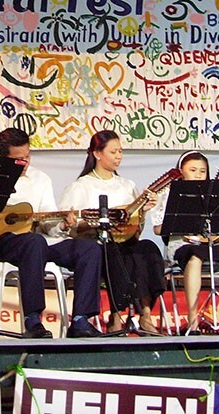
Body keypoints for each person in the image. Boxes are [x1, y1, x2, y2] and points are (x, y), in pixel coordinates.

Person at [0, 127, 102, 338]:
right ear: (2, 158)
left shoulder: (40, 179)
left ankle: (80, 320)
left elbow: (48, 222)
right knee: (34, 243)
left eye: (28, 156)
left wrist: (62, 225)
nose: (25, 163)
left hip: (39, 242)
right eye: (18, 159)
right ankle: (32, 320)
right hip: (2, 242)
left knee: (89, 249)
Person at [59, 130, 166, 334]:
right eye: (113, 151)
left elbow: (136, 228)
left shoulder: (127, 185)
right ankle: (116, 315)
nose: (119, 156)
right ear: (97, 154)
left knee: (148, 249)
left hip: (126, 241)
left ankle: (145, 314)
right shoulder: (81, 186)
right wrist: (92, 224)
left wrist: (141, 213)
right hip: (97, 245)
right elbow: (70, 226)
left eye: (120, 151)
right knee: (116, 254)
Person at [152, 151, 219, 333]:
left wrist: (218, 234)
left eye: (202, 171)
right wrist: (179, 223)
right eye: (192, 170)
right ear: (181, 172)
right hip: (182, 245)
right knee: (194, 258)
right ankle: (193, 318)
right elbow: (157, 228)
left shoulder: (215, 194)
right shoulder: (169, 192)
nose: (198, 175)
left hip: (210, 244)